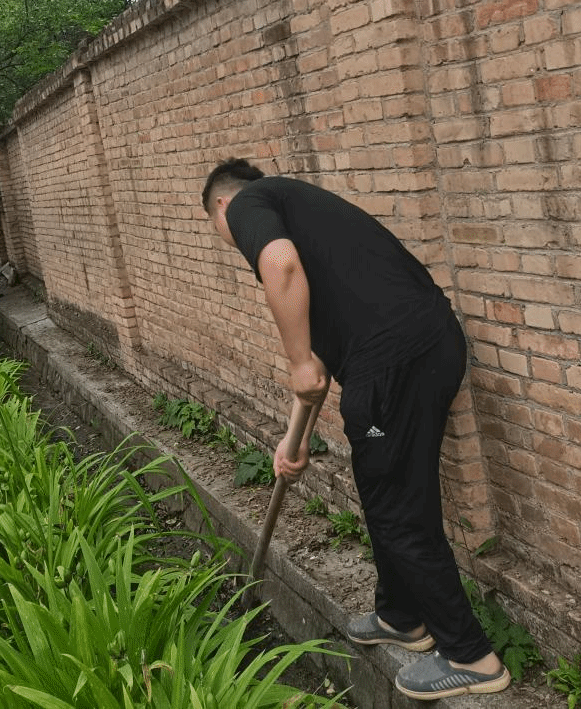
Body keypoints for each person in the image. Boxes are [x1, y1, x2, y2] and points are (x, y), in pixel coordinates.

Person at [201, 158, 509, 701]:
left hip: (394, 363)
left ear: (221, 206)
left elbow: (281, 268)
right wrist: (293, 442)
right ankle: (401, 616)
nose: (229, 239)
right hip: (420, 348)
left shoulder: (248, 204)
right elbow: (320, 365)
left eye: (216, 227)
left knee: (398, 507)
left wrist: (297, 361)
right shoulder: (306, 219)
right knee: (383, 489)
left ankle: (470, 656)